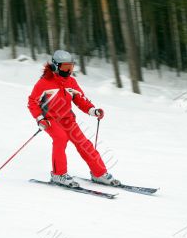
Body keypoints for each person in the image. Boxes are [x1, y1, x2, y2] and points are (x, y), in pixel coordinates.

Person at [27, 50, 120, 187]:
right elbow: (32, 102)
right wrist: (40, 119)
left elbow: (80, 100)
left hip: (68, 119)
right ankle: (59, 174)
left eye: (70, 67)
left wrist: (93, 110)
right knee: (60, 138)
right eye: (65, 67)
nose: (68, 71)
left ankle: (99, 173)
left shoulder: (71, 82)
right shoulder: (44, 83)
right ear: (55, 66)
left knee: (84, 144)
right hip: (50, 120)